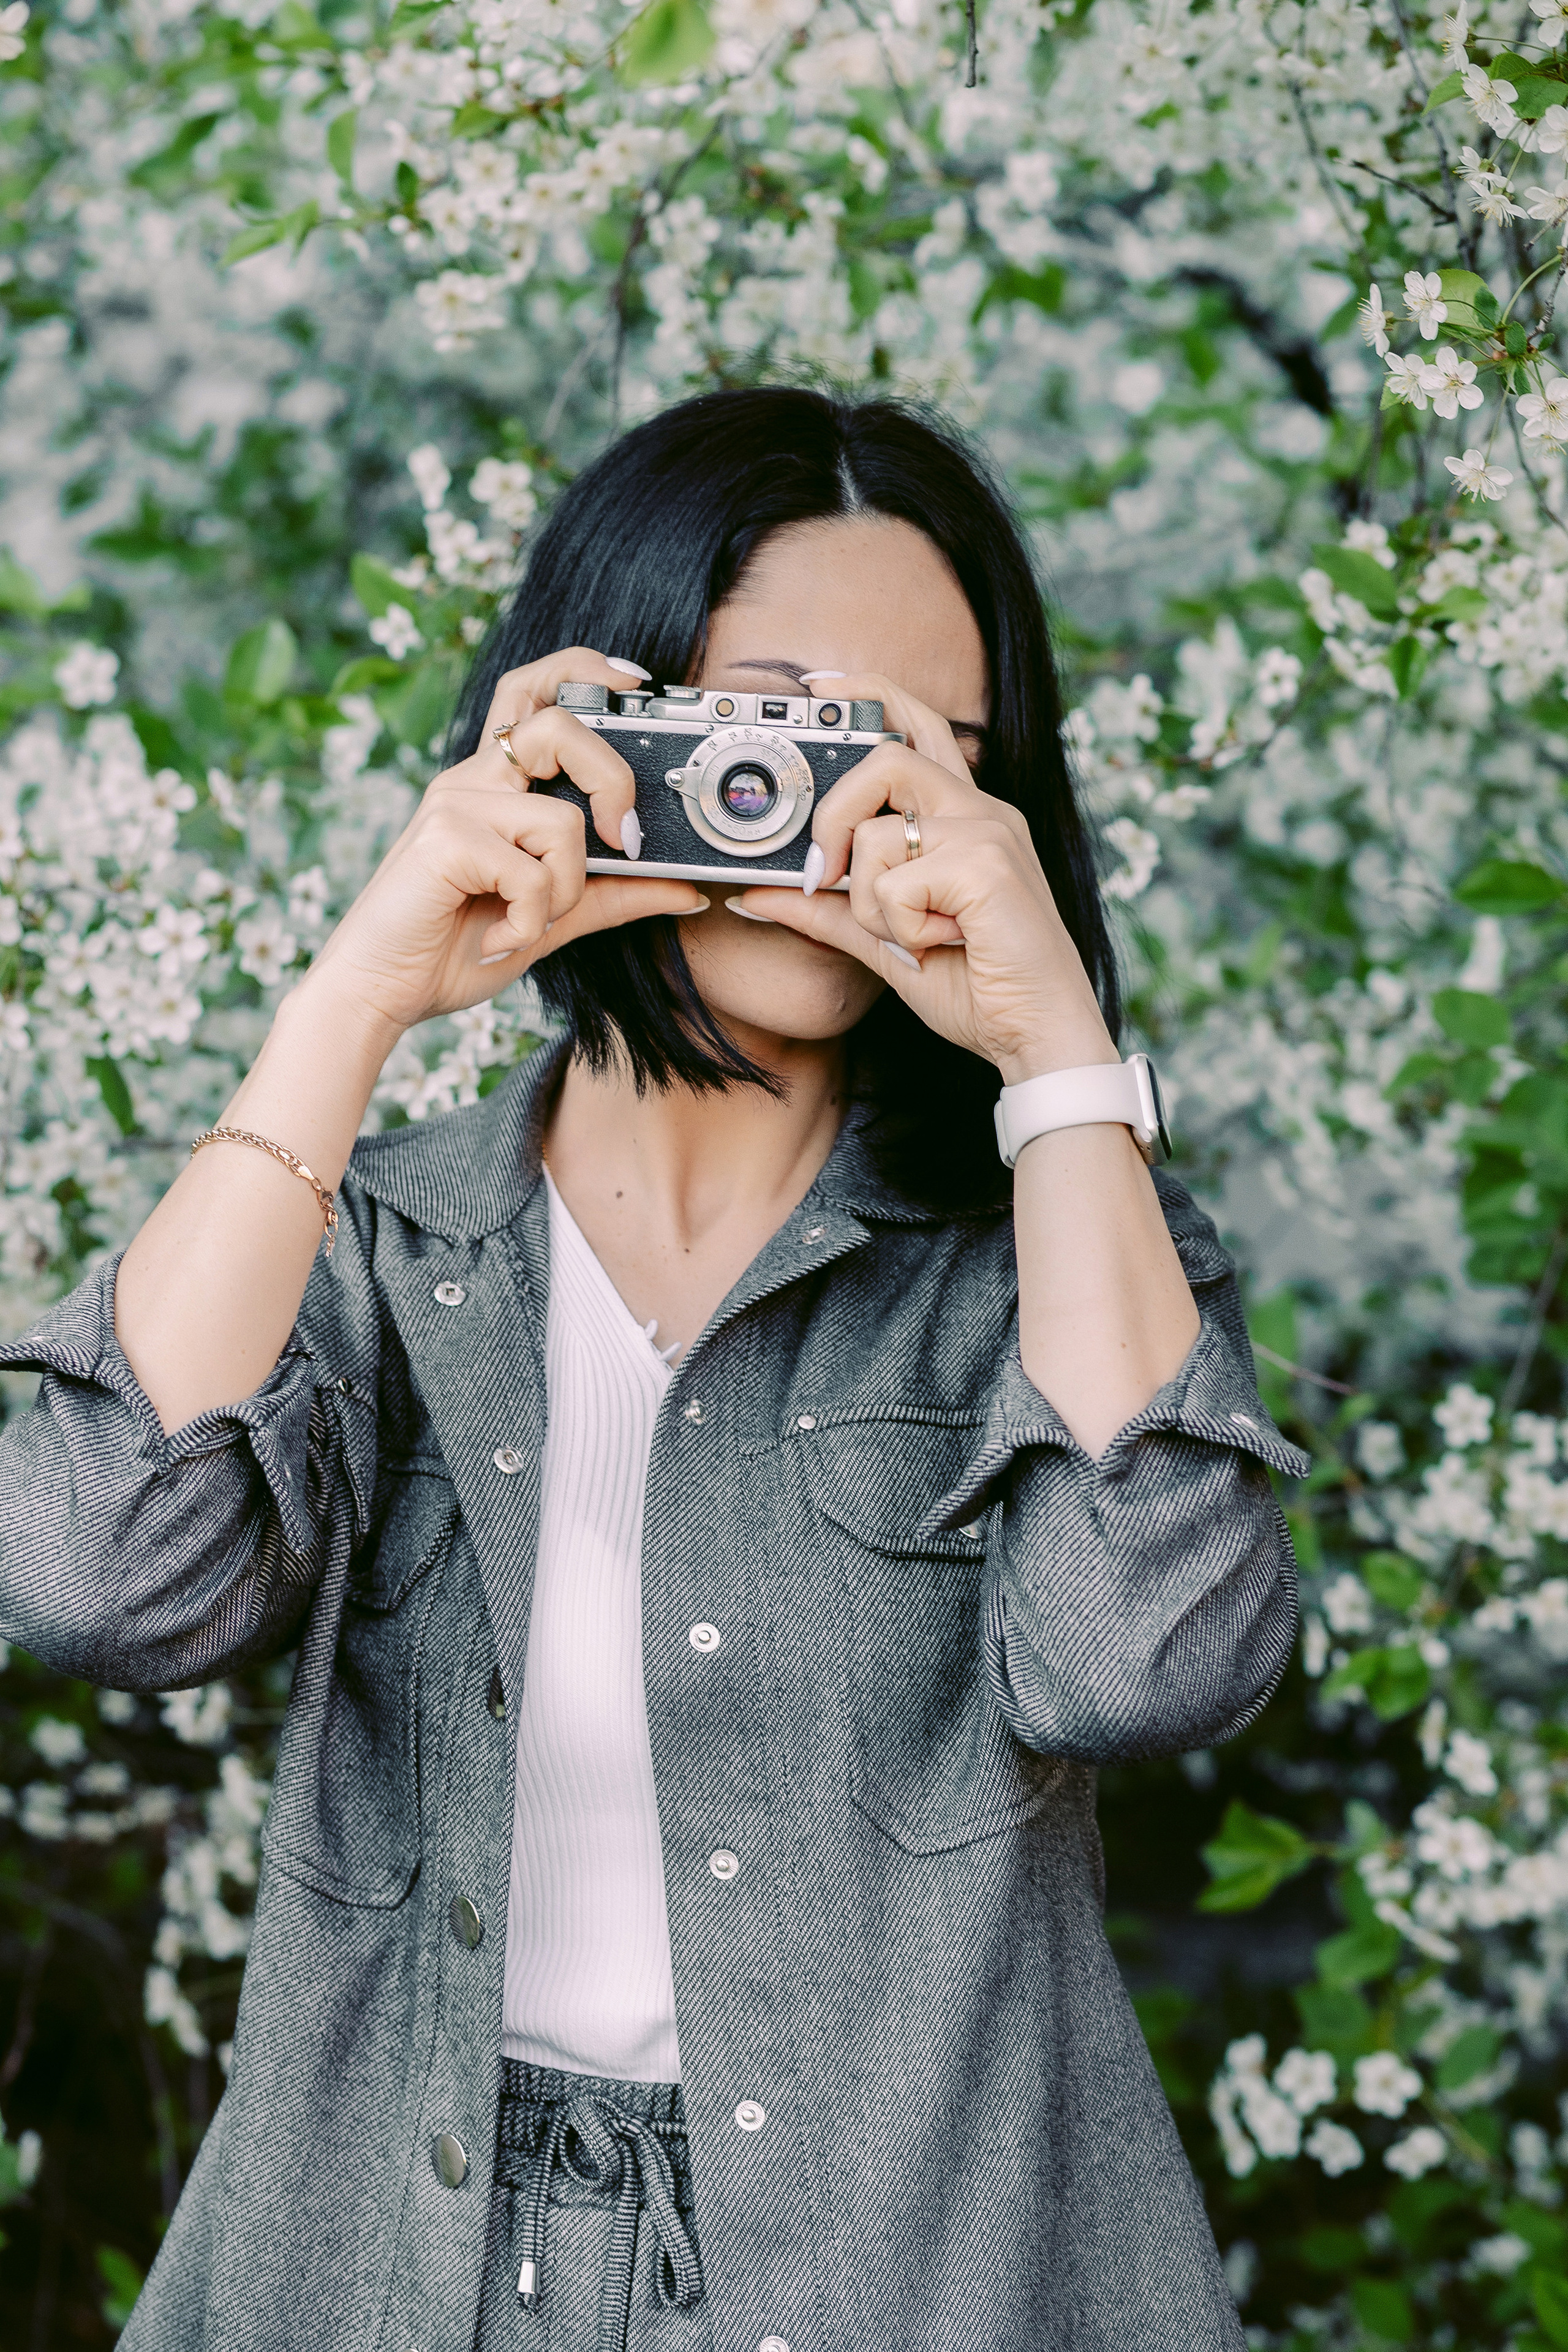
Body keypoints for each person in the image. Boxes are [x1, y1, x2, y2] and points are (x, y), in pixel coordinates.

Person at [0, 387, 1306, 2352]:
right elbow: (98, 1579)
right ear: (597, 725)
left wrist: (1055, 1055)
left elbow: (1149, 1664)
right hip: (395, 2269)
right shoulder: (383, 1254)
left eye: (924, 761)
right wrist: (360, 993)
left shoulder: (1061, 1260)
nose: (836, 820)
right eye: (776, 729)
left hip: (909, 2270)